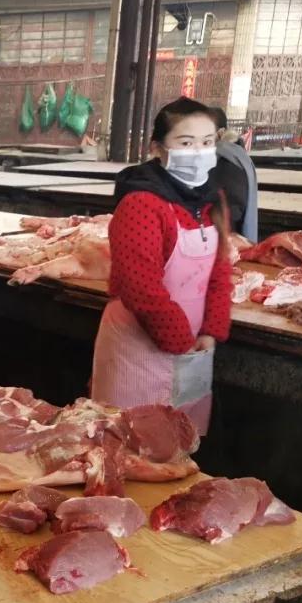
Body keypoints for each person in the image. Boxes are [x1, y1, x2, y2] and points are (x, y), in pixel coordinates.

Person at [95, 97, 233, 434]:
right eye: (186, 143)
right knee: (129, 441)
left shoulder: (212, 199)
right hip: (139, 347)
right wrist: (180, 340)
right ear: (157, 148)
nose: (198, 152)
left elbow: (220, 271)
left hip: (193, 345)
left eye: (207, 142)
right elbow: (140, 288)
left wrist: (210, 331)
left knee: (181, 437)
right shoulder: (142, 203)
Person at [209, 106, 259, 242]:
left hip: (226, 239)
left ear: (220, 133)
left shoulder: (226, 161)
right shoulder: (235, 155)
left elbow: (232, 210)